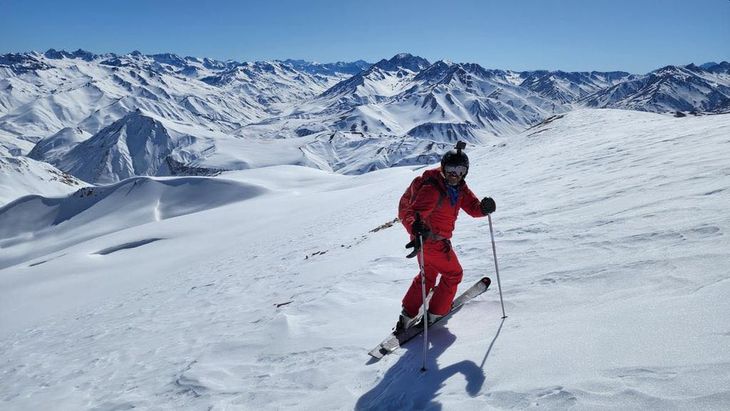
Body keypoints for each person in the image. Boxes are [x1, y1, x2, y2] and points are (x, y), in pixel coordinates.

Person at [396, 141, 496, 331]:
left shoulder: (459, 188)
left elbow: (472, 207)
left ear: (465, 172)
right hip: (431, 241)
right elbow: (415, 213)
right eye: (451, 169)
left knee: (427, 276)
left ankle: (407, 314)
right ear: (443, 167)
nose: (455, 174)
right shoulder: (433, 188)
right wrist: (416, 227)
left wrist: (483, 208)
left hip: (423, 240)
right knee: (453, 274)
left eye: (460, 170)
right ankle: (436, 313)